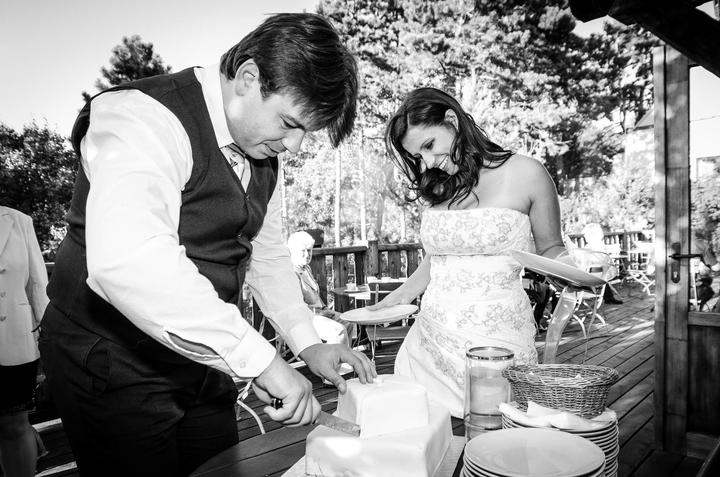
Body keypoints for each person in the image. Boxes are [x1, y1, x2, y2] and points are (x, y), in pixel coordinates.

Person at [38, 13, 374, 477]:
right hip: (110, 358)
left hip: (203, 365)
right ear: (248, 77)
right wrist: (262, 362)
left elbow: (266, 255)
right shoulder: (142, 115)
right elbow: (130, 262)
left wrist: (307, 344)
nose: (295, 146)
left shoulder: (264, 152)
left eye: (305, 132)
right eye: (289, 123)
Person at [371, 87, 570, 418]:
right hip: (428, 345)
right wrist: (397, 297)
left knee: (495, 434)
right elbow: (438, 259)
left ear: (452, 120)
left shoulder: (527, 173)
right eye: (418, 156)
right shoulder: (439, 186)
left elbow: (551, 249)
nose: (427, 163)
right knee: (424, 438)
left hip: (498, 345)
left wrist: (574, 271)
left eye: (429, 145)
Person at [0, 206, 49, 477]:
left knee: (15, 426)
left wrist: (48, 341)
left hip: (13, 339)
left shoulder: (19, 221)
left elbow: (38, 286)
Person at [287, 231, 355, 345]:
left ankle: (345, 355)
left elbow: (315, 295)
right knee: (338, 331)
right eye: (303, 251)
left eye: (309, 250)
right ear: (293, 251)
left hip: (319, 313)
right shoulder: (292, 273)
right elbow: (297, 306)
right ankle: (334, 356)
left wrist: (325, 309)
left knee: (348, 323)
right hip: (306, 318)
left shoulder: (306, 268)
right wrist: (318, 314)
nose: (307, 254)